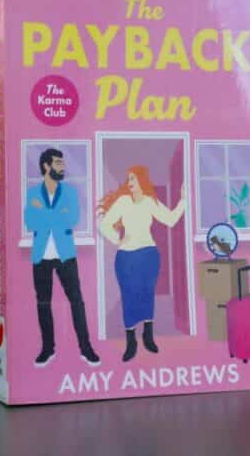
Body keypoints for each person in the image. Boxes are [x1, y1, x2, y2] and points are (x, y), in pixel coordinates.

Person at [97, 165, 187, 362]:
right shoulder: (122, 202)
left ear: (141, 180)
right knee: (129, 296)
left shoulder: (149, 202)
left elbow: (171, 219)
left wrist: (183, 200)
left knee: (147, 294)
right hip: (126, 257)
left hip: (148, 255)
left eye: (133, 179)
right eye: (128, 179)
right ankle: (131, 342)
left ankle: (148, 336)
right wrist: (116, 239)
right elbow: (104, 224)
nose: (129, 183)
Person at [24, 148, 100, 368]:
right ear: (46, 166)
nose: (63, 166)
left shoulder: (70, 193)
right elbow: (30, 222)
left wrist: (45, 215)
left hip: (65, 254)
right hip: (40, 256)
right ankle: (48, 349)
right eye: (58, 162)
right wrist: (56, 216)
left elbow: (72, 219)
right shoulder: (32, 194)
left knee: (77, 301)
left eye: (63, 162)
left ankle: (86, 348)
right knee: (43, 303)